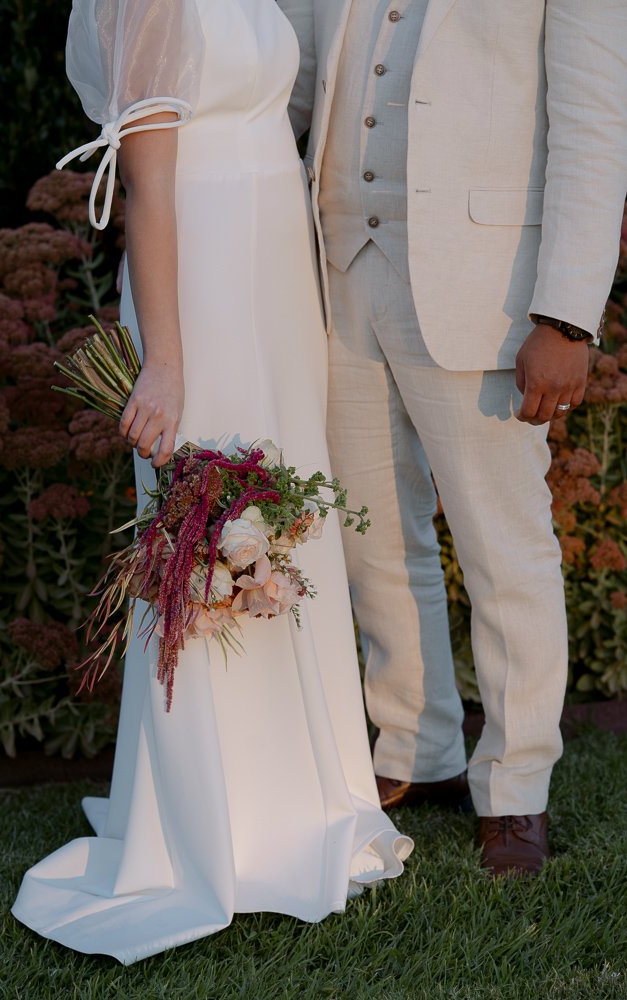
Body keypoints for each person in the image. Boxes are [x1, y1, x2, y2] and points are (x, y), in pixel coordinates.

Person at [11, 0, 412, 964]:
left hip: (276, 274)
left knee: (288, 524)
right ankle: (214, 824)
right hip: (203, 285)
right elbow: (149, 186)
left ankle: (305, 793)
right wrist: (168, 363)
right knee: (212, 528)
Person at [279, 0, 627, 876]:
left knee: (504, 549)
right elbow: (287, 82)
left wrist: (565, 317)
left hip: (489, 288)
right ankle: (414, 744)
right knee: (369, 530)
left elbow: (593, 127)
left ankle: (514, 788)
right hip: (331, 263)